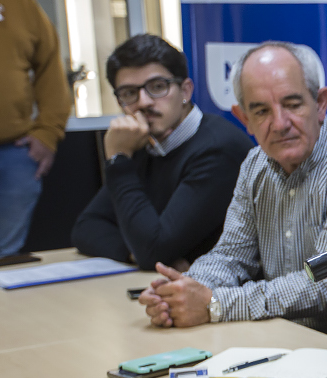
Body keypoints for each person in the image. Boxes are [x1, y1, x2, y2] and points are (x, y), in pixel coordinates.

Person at [138, 41, 327, 349]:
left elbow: (326, 287)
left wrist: (214, 304)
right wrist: (183, 292)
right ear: (243, 118)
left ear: (320, 103)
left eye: (292, 104)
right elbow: (230, 256)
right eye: (261, 111)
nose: (279, 124)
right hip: (279, 343)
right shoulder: (255, 164)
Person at [71, 34, 254, 271]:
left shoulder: (218, 149)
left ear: (185, 90)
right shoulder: (144, 143)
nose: (143, 102)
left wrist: (118, 160)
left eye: (157, 87)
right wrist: (133, 252)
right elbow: (86, 227)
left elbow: (153, 250)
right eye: (128, 93)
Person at [0, 0, 70, 260]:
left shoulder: (23, 7)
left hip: (16, 155)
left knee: (5, 260)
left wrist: (48, 132)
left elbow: (51, 70)